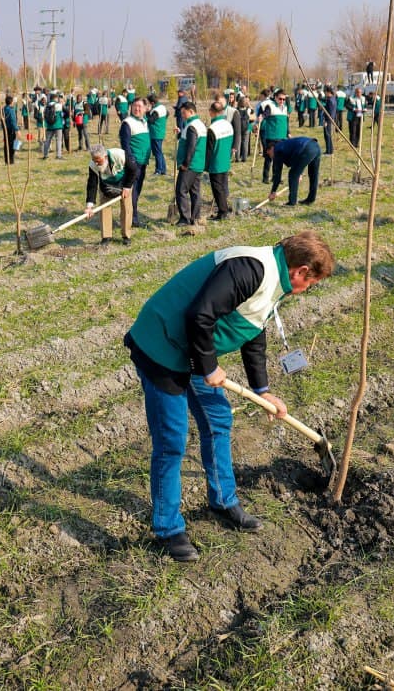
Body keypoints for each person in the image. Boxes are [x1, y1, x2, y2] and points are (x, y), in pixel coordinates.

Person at [124, 230, 335, 561]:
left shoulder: (274, 277)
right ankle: (168, 529)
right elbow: (199, 314)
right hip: (162, 345)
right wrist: (208, 367)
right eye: (312, 283)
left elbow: (253, 329)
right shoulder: (251, 268)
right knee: (172, 441)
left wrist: (262, 389)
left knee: (218, 419)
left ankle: (223, 500)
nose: (308, 290)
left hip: (191, 349)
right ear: (302, 272)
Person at [85, 143, 134, 245]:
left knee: (126, 208)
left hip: (124, 183)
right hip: (106, 186)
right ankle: (106, 237)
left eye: (99, 161)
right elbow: (92, 185)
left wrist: (127, 187)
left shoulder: (120, 155)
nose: (97, 163)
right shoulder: (93, 165)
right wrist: (89, 206)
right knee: (104, 208)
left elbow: (133, 169)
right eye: (94, 161)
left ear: (105, 156)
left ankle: (126, 236)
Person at [119, 96, 151, 228]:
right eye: (134, 106)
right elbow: (125, 145)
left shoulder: (144, 121)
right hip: (134, 163)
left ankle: (133, 216)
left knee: (136, 191)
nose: (137, 109)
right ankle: (132, 219)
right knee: (131, 191)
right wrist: (131, 161)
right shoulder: (127, 123)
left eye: (140, 106)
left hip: (143, 162)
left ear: (145, 108)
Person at [173, 101, 207, 226]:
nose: (182, 115)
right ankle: (195, 217)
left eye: (183, 113)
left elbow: (191, 146)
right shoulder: (199, 124)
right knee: (195, 192)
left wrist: (185, 164)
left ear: (191, 111)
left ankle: (185, 218)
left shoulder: (192, 126)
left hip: (190, 165)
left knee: (181, 190)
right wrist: (179, 134)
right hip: (198, 164)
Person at [266, 136, 322, 206]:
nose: (270, 156)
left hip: (306, 148)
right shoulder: (284, 145)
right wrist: (300, 173)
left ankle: (292, 202)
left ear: (271, 148)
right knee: (313, 174)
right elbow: (297, 157)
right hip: (316, 146)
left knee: (293, 174)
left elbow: (278, 175)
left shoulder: (277, 150)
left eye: (269, 153)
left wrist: (273, 191)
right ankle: (311, 199)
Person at [206, 99, 235, 220]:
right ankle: (225, 208)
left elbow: (209, 149)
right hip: (225, 160)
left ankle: (223, 212)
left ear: (211, 112)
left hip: (216, 162)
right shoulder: (228, 124)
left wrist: (205, 166)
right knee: (223, 187)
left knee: (217, 189)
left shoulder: (212, 128)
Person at [260, 89, 290, 183]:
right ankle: (265, 178)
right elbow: (266, 113)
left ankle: (276, 177)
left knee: (279, 159)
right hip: (272, 137)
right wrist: (262, 116)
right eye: (280, 99)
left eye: (284, 99)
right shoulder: (271, 106)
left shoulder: (285, 108)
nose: (282, 101)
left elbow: (286, 121)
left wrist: (288, 132)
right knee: (269, 158)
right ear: (275, 98)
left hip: (282, 137)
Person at [146, 93, 169, 175]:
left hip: (156, 133)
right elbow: (168, 113)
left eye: (148, 102)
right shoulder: (162, 107)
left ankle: (158, 170)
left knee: (157, 152)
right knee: (159, 151)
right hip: (159, 132)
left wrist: (147, 112)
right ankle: (163, 169)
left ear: (152, 103)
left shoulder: (156, 110)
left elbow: (150, 120)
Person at [42, 92, 65, 159]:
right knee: (58, 140)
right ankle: (58, 155)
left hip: (49, 125)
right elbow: (66, 110)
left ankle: (45, 155)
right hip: (57, 125)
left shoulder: (47, 106)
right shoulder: (58, 105)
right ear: (55, 98)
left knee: (47, 140)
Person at [2, 95, 18, 164]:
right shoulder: (11, 110)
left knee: (6, 144)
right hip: (11, 129)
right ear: (11, 102)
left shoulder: (3, 109)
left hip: (5, 129)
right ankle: (11, 160)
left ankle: (6, 160)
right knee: (12, 145)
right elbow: (13, 120)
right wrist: (17, 129)